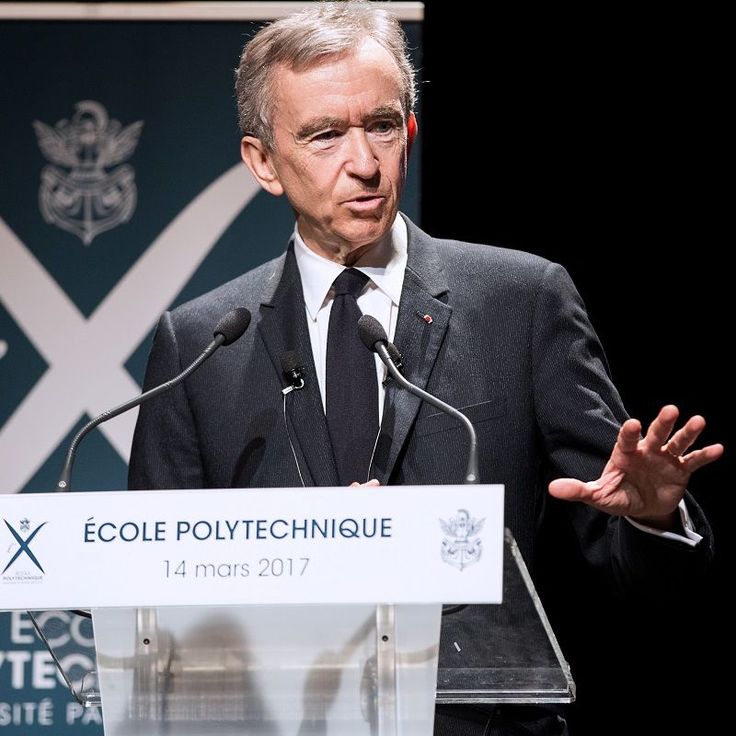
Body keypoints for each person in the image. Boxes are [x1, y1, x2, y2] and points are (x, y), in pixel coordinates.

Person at [128, 2, 723, 734]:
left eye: (381, 125)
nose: (364, 162)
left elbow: (642, 574)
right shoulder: (200, 344)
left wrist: (656, 518)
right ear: (262, 161)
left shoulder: (522, 303)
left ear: (409, 130)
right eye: (324, 136)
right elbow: (151, 594)